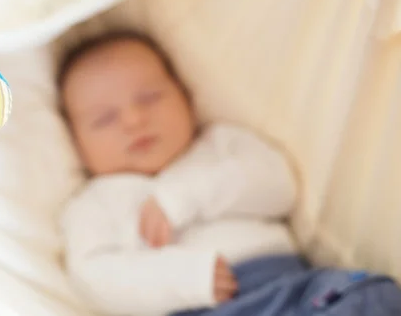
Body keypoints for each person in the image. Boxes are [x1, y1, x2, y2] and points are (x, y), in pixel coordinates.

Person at [57, 30, 401, 316]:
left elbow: (279, 186)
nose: (134, 120)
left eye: (149, 98)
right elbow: (96, 281)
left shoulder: (220, 146)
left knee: (372, 295)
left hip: (295, 287)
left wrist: (183, 197)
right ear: (76, 144)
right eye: (104, 119)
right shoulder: (95, 203)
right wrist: (187, 278)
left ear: (187, 98)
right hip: (200, 308)